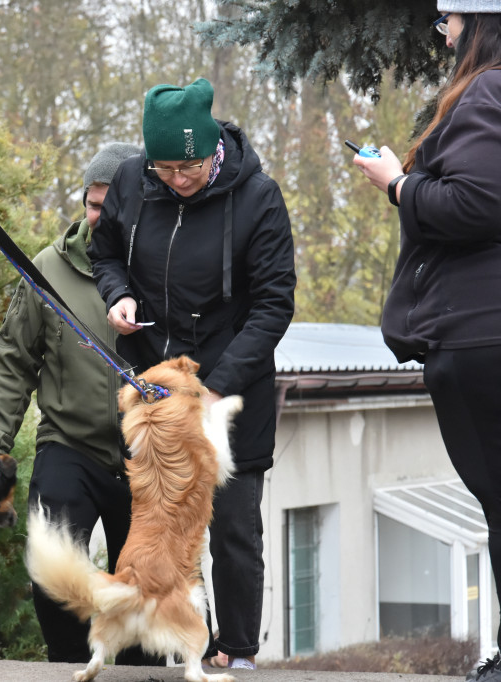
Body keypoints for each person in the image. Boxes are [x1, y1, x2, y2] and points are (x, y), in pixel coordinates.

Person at [88, 78, 295, 670]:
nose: (177, 179)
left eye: (189, 166)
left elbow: (274, 303)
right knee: (159, 518)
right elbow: (103, 252)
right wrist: (118, 293)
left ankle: (238, 647)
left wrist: (218, 385)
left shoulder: (258, 197)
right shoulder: (131, 181)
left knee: (231, 521)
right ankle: (186, 643)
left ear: (213, 150)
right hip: (154, 380)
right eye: (165, 168)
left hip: (231, 385)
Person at [352, 5, 501, 681]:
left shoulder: (487, 90)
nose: (441, 33)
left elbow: (473, 203)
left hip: (478, 335)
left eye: (447, 18)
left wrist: (399, 183)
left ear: (479, 23)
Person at [0, 142, 150, 663]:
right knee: (52, 570)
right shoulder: (46, 269)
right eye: (91, 205)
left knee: (145, 595)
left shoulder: (163, 266)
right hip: (70, 443)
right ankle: (69, 668)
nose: (98, 217)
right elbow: (13, 359)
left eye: (110, 207)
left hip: (145, 456)